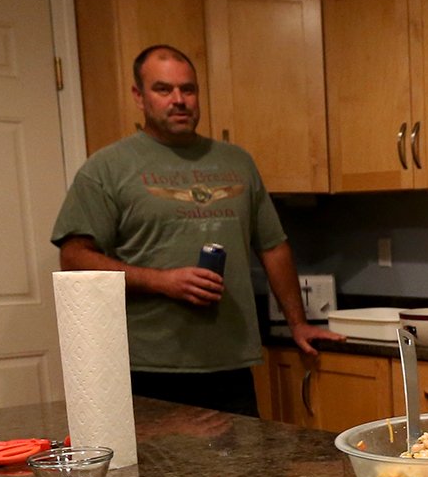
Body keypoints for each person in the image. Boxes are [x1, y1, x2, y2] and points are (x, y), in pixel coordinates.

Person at [51, 45, 341, 415]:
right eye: (163, 89)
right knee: (162, 472)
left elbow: (273, 246)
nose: (179, 100)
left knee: (241, 471)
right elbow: (74, 258)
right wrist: (162, 281)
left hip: (231, 359)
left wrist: (297, 323)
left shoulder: (236, 162)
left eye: (188, 90)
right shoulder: (107, 168)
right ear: (139, 97)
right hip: (148, 364)